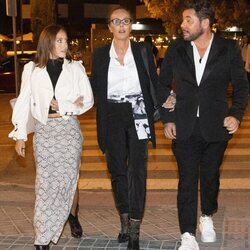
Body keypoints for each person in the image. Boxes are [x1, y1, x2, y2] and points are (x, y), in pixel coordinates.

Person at [157, 1, 249, 250]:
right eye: (183, 20)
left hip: (215, 127)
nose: (182, 24)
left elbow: (242, 86)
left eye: (189, 20)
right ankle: (187, 234)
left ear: (205, 23)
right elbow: (162, 84)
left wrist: (236, 115)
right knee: (187, 180)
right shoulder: (177, 48)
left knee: (210, 178)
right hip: (183, 126)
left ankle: (206, 215)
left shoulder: (228, 49)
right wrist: (167, 119)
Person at [9, 24, 94, 250]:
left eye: (65, 41)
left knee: (67, 183)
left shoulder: (75, 68)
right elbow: (24, 101)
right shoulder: (32, 69)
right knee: (45, 186)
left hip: (68, 131)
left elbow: (86, 99)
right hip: (44, 132)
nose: (64, 45)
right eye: (59, 41)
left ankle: (71, 215)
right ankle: (43, 237)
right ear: (47, 42)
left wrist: (65, 105)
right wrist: (19, 135)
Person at [90, 6, 158, 250]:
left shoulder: (141, 51)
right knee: (117, 170)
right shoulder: (99, 55)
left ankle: (135, 232)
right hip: (111, 112)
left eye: (126, 21)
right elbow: (93, 87)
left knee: (138, 170)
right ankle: (124, 220)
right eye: (116, 21)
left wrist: (167, 100)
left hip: (138, 108)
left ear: (131, 25)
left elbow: (153, 81)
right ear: (109, 26)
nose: (121, 25)